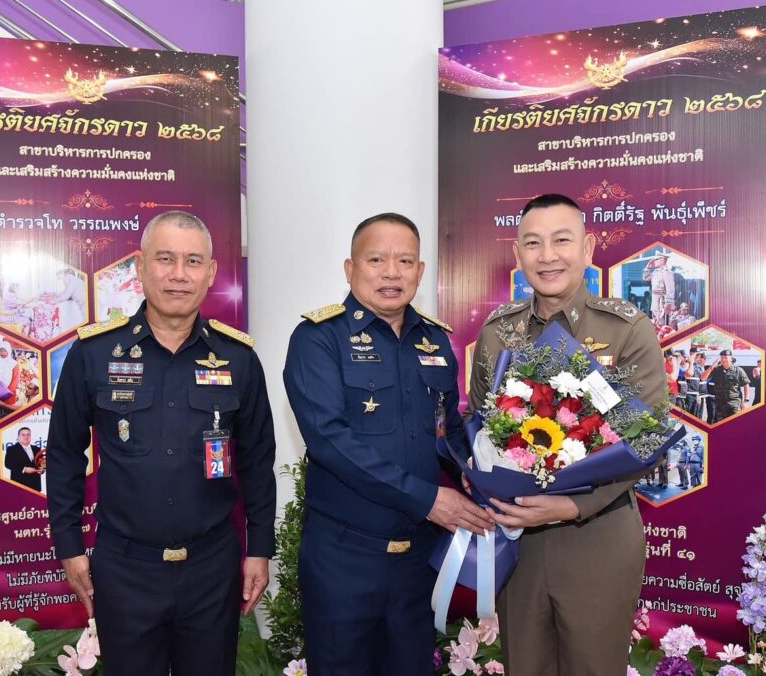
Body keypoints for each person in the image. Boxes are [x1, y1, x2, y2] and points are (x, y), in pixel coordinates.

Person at [47, 211, 276, 676]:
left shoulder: (238, 358)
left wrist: (259, 548)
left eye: (193, 261)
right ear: (140, 267)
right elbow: (65, 454)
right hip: (125, 569)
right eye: (165, 259)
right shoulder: (94, 353)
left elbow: (257, 461)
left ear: (210, 272)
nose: (179, 274)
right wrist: (69, 546)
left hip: (212, 569)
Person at [284, 212, 492, 675]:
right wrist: (427, 499)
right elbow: (329, 441)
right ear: (350, 268)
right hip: (344, 559)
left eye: (405, 261)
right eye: (376, 260)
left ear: (420, 271)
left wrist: (481, 475)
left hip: (417, 559)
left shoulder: (435, 341)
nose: (392, 273)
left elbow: (447, 431)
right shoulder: (319, 339)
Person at [467, 194, 666, 675]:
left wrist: (573, 506)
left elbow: (645, 440)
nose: (548, 256)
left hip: (596, 535)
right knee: (525, 665)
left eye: (562, 240)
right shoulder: (498, 332)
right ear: (517, 254)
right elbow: (478, 423)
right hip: (517, 541)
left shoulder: (627, 329)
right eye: (533, 243)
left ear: (588, 247)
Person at [701, 350, 750, 422]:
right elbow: (703, 378)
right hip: (720, 404)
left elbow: (746, 385)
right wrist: (712, 366)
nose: (723, 360)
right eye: (722, 358)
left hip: (734, 403)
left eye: (726, 357)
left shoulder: (738, 370)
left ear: (731, 358)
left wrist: (746, 401)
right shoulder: (716, 370)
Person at [4, 427, 43, 492]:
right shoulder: (12, 449)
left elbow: (41, 464)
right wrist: (24, 469)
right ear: (18, 437)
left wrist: (42, 470)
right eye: (23, 435)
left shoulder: (37, 449)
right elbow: (8, 464)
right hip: (19, 486)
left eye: (28, 434)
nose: (26, 437)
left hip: (35, 486)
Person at [642, 250, 675, 323]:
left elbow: (670, 290)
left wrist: (668, 303)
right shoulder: (655, 273)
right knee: (656, 324)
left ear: (662, 260)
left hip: (662, 304)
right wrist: (648, 267)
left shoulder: (667, 273)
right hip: (655, 303)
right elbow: (645, 277)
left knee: (662, 324)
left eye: (656, 259)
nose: (654, 262)